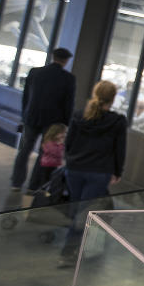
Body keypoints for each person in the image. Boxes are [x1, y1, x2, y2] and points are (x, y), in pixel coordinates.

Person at [58, 80, 126, 268]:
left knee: (78, 209)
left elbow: (69, 142)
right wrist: (117, 171)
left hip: (75, 170)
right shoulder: (117, 121)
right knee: (83, 212)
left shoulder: (80, 116)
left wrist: (69, 160)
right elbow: (119, 149)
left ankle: (73, 248)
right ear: (113, 99)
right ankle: (69, 251)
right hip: (99, 172)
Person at [10, 47, 76, 191]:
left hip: (31, 117)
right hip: (53, 122)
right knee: (45, 152)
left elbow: (26, 96)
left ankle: (16, 182)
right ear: (66, 61)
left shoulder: (35, 72)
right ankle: (34, 186)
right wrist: (65, 124)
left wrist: (24, 115)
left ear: (53, 57)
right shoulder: (68, 78)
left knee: (24, 150)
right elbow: (68, 103)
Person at [27, 123, 66, 191]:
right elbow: (56, 153)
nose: (64, 135)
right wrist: (61, 145)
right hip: (46, 166)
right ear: (55, 133)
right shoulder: (49, 142)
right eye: (62, 133)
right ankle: (41, 193)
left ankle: (46, 193)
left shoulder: (58, 143)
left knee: (50, 181)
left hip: (54, 165)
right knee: (44, 181)